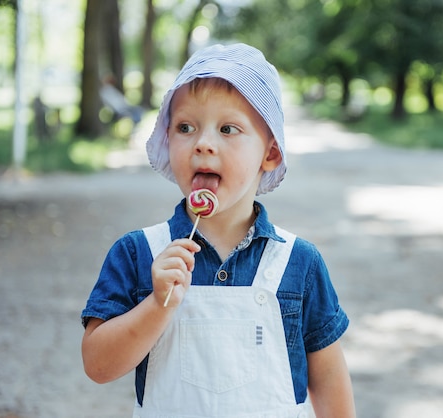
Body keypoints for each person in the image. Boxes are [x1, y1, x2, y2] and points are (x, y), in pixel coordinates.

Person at [81, 43, 356, 418]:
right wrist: (157, 304)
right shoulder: (139, 253)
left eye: (228, 128)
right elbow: (97, 366)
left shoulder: (299, 263)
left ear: (270, 154)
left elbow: (328, 378)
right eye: (185, 127)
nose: (203, 144)